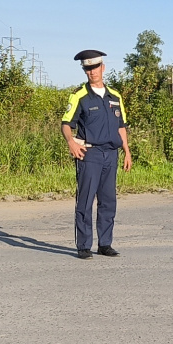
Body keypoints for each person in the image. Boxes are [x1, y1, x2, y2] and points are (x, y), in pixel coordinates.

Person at [61, 50, 132, 259]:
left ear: (103, 68)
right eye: (88, 68)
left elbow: (121, 126)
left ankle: (105, 244)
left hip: (111, 154)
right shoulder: (79, 96)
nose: (92, 72)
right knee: (85, 201)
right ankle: (84, 246)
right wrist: (71, 142)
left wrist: (127, 151)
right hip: (90, 154)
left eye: (95, 67)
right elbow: (66, 124)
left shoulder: (115, 96)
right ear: (85, 71)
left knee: (108, 201)